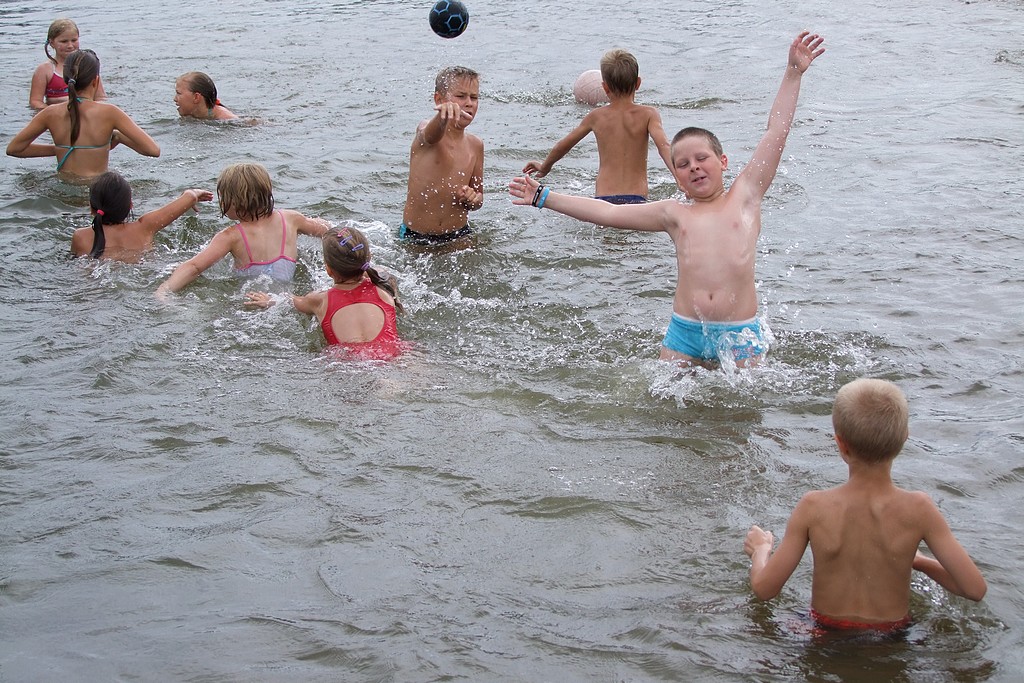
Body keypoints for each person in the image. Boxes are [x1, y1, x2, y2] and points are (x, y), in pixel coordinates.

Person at [509, 31, 826, 368]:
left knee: (745, 404)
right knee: (663, 400)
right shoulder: (674, 214)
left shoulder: (746, 196)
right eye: (683, 164)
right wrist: (544, 196)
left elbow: (776, 132)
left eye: (701, 158)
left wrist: (793, 73)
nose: (694, 167)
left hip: (740, 332)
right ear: (677, 175)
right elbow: (609, 213)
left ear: (723, 162)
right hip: (684, 333)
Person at [744, 378, 987, 632]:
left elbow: (764, 589)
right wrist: (920, 562)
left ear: (840, 443)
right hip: (893, 638)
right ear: (905, 438)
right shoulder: (919, 509)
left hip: (824, 634)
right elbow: (974, 589)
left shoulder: (813, 506)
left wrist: (761, 550)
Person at [522, 49, 673, 204]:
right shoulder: (649, 114)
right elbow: (664, 147)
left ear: (605, 87)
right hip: (636, 198)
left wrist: (545, 167)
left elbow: (563, 146)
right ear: (638, 83)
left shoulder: (596, 116)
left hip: (603, 200)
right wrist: (680, 179)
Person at [156, 163, 330, 296]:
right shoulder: (291, 219)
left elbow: (194, 267)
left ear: (234, 201)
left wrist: (165, 289)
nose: (221, 202)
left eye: (222, 197)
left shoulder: (230, 236)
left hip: (250, 297)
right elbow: (327, 231)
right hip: (285, 297)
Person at [245, 227, 404, 360]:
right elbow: (380, 271)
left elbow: (290, 301)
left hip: (349, 364)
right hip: (394, 355)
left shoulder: (320, 300)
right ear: (368, 260)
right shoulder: (384, 286)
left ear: (328, 270)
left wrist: (269, 300)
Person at [8, 49, 159, 182]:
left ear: (66, 79)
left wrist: (59, 148)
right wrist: (118, 137)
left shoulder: (50, 113)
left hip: (64, 191)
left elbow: (14, 149)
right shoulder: (110, 112)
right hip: (97, 191)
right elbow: (153, 150)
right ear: (96, 81)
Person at [400, 66, 484, 245]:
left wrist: (472, 199)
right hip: (416, 237)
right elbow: (430, 135)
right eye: (461, 96)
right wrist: (442, 117)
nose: (469, 103)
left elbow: (479, 198)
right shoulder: (426, 131)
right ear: (439, 99)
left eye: (474, 97)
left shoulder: (476, 145)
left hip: (459, 234)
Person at [70, 171, 213, 262]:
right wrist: (193, 193)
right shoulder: (144, 227)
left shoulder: (80, 236)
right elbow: (190, 197)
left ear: (91, 207)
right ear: (130, 205)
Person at [29, 18, 107, 111]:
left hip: (86, 112)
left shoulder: (87, 66)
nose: (70, 45)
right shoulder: (44, 70)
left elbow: (101, 98)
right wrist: (54, 113)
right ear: (52, 43)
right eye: (64, 41)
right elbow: (35, 102)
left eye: (74, 40)